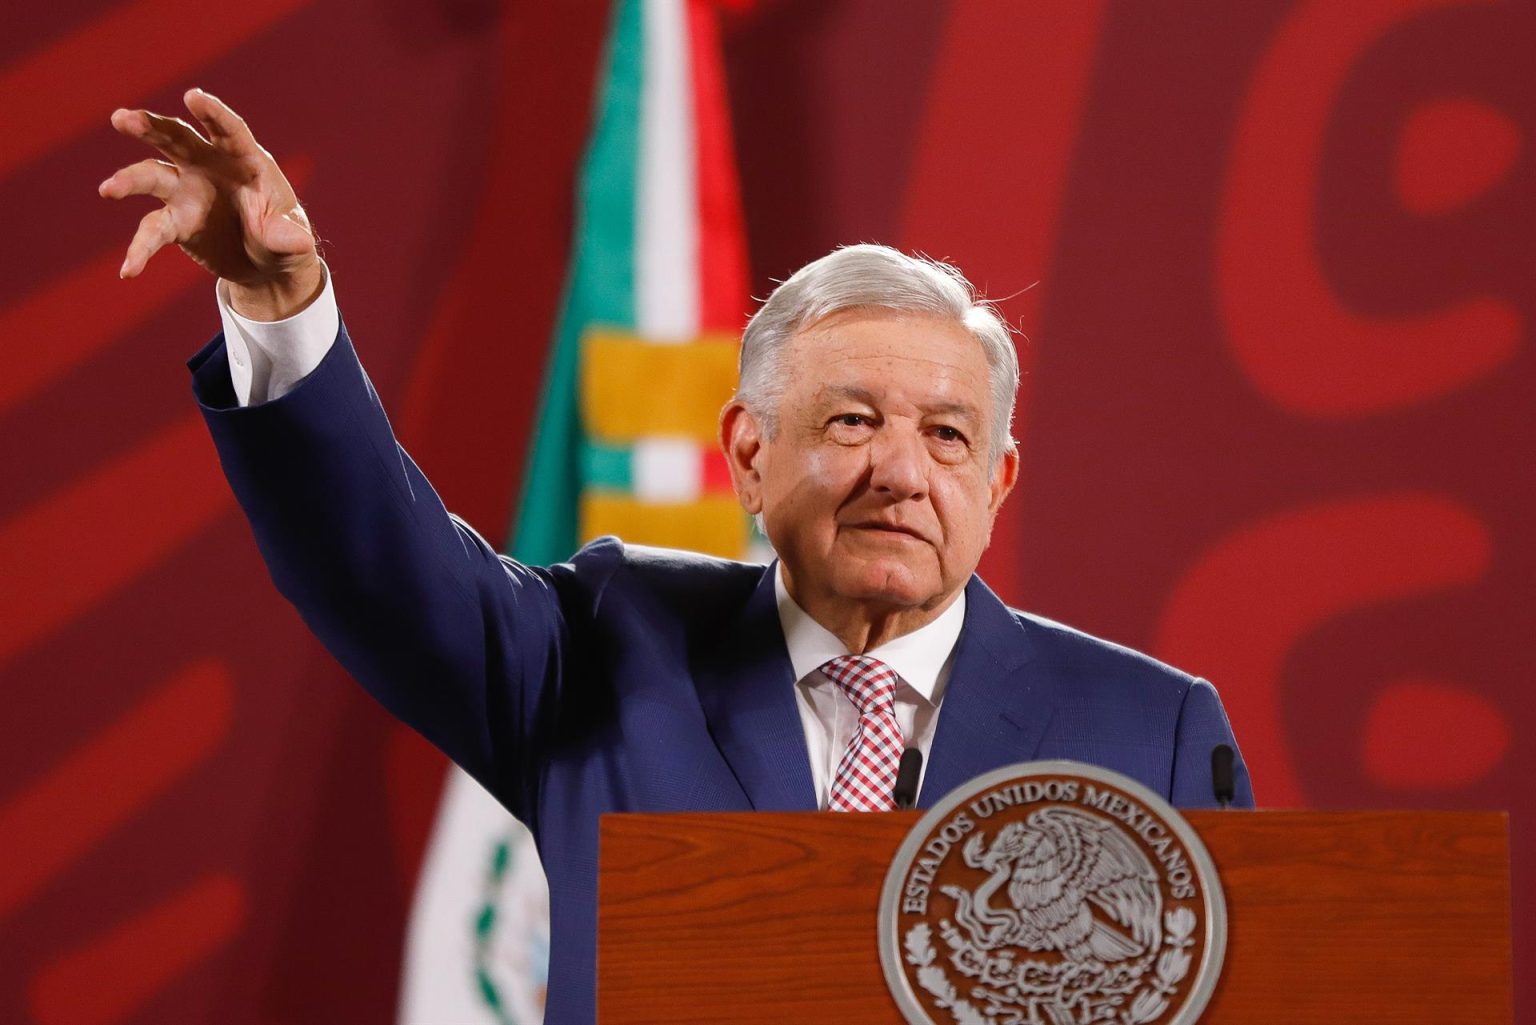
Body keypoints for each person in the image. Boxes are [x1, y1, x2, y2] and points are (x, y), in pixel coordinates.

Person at [101, 90, 1253, 1024]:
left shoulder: (1150, 732)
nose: (901, 471)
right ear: (749, 455)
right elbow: (377, 568)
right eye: (852, 421)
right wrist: (277, 298)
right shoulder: (608, 643)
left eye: (947, 434)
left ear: (996, 482)